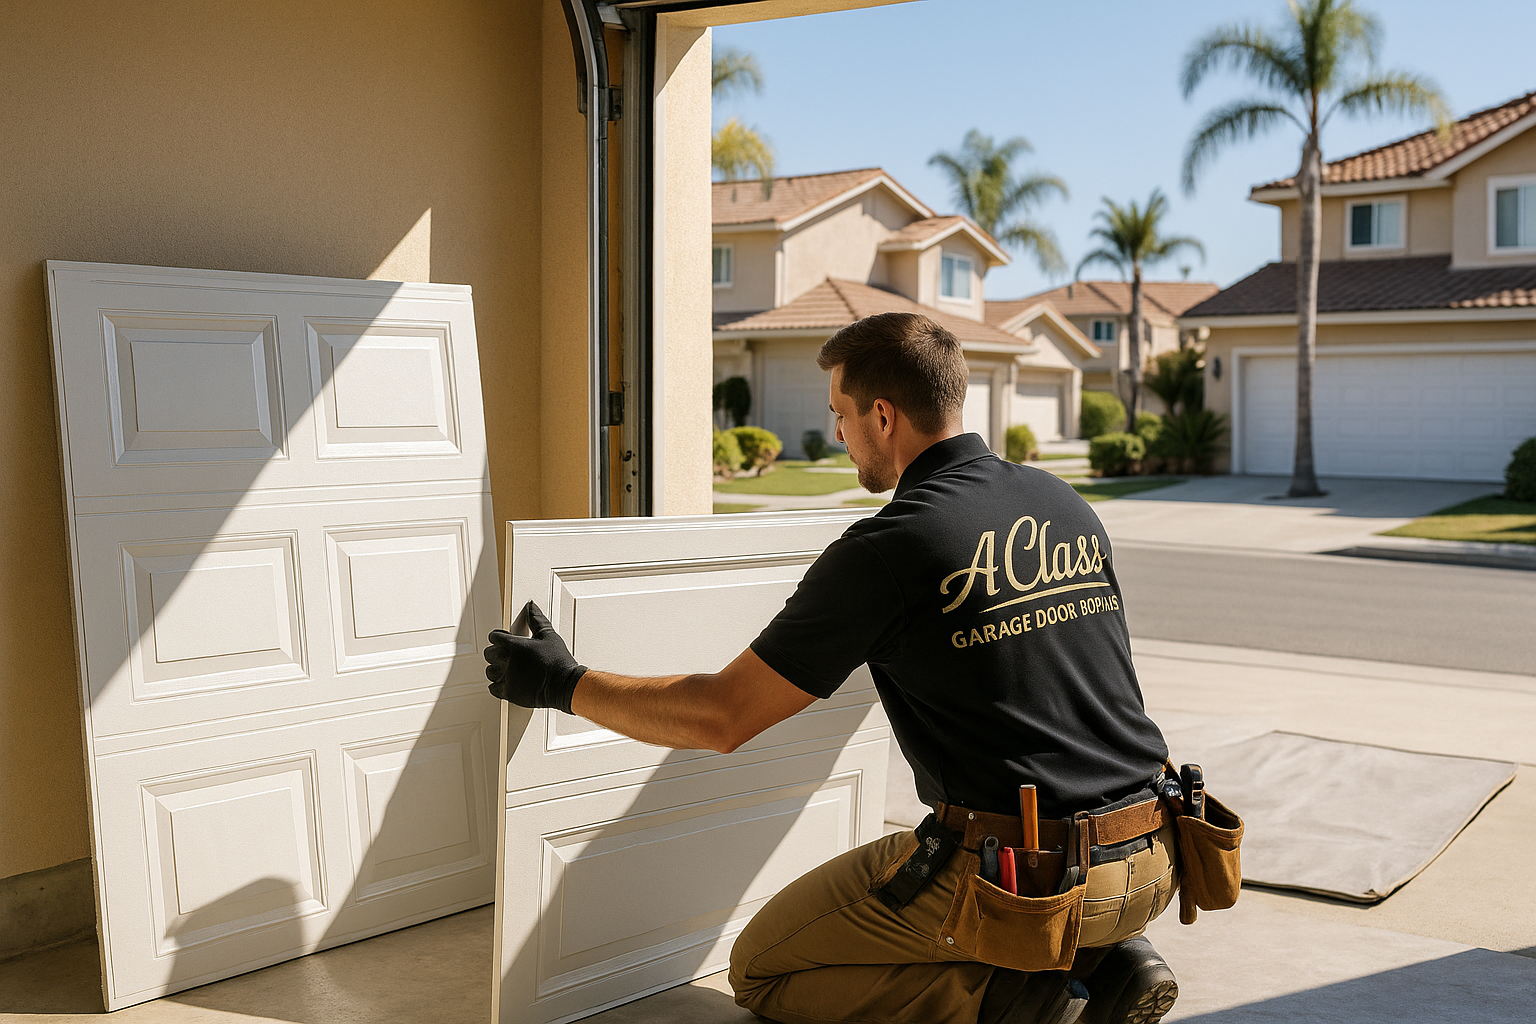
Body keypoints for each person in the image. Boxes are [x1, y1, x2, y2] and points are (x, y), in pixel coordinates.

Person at [486, 312, 1183, 1024]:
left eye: (841, 415)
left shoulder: (892, 547)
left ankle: (1024, 1001)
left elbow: (722, 717)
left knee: (762, 970)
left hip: (1022, 879)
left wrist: (561, 684)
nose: (837, 435)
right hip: (1157, 855)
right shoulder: (1062, 503)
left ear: (883, 415)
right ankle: (1107, 959)